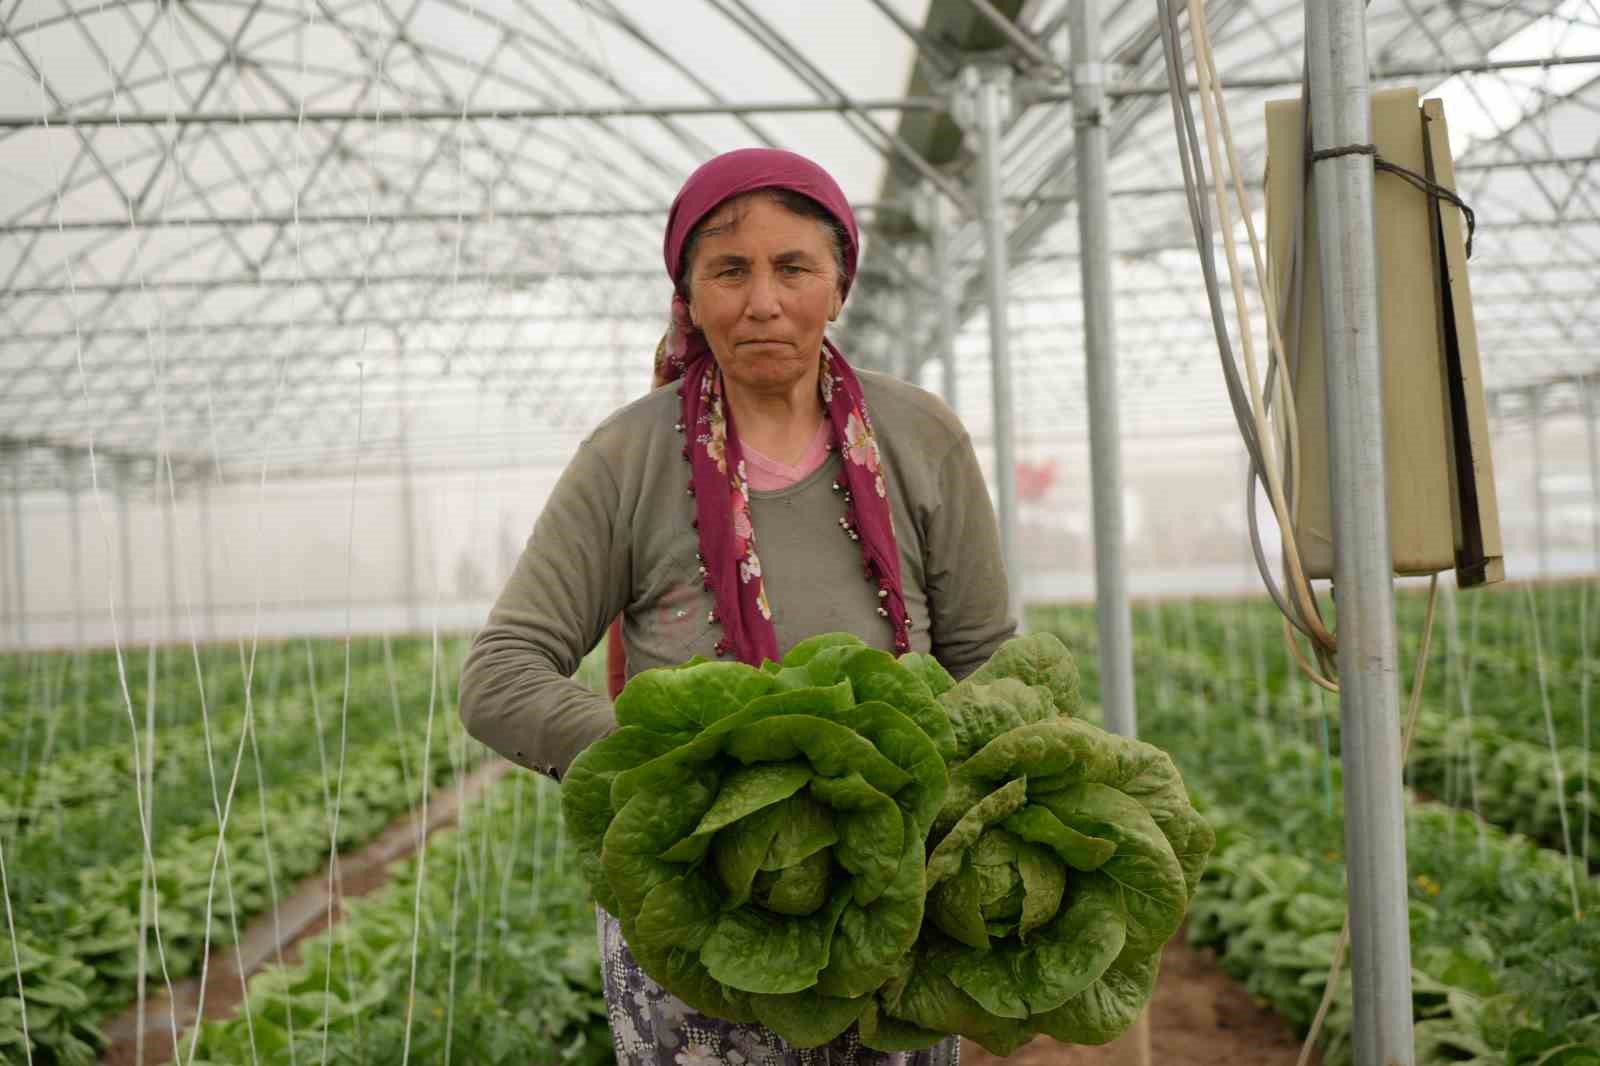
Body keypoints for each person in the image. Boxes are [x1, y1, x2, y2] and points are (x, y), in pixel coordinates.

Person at [460, 147, 1015, 1066]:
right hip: (695, 904)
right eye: (730, 270)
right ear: (689, 295)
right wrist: (670, 774)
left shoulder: (919, 436)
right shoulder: (630, 457)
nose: (764, 301)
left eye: (793, 267)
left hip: (891, 896)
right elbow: (500, 674)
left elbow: (987, 655)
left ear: (839, 284)